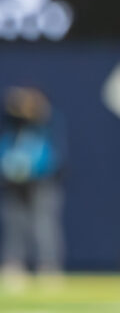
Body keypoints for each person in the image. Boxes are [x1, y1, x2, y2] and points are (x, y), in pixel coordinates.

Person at [0, 87, 65, 278]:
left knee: (43, 225)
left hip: (40, 183)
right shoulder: (10, 126)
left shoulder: (47, 125)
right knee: (14, 225)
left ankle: (48, 265)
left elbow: (54, 155)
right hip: (12, 184)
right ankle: (13, 263)